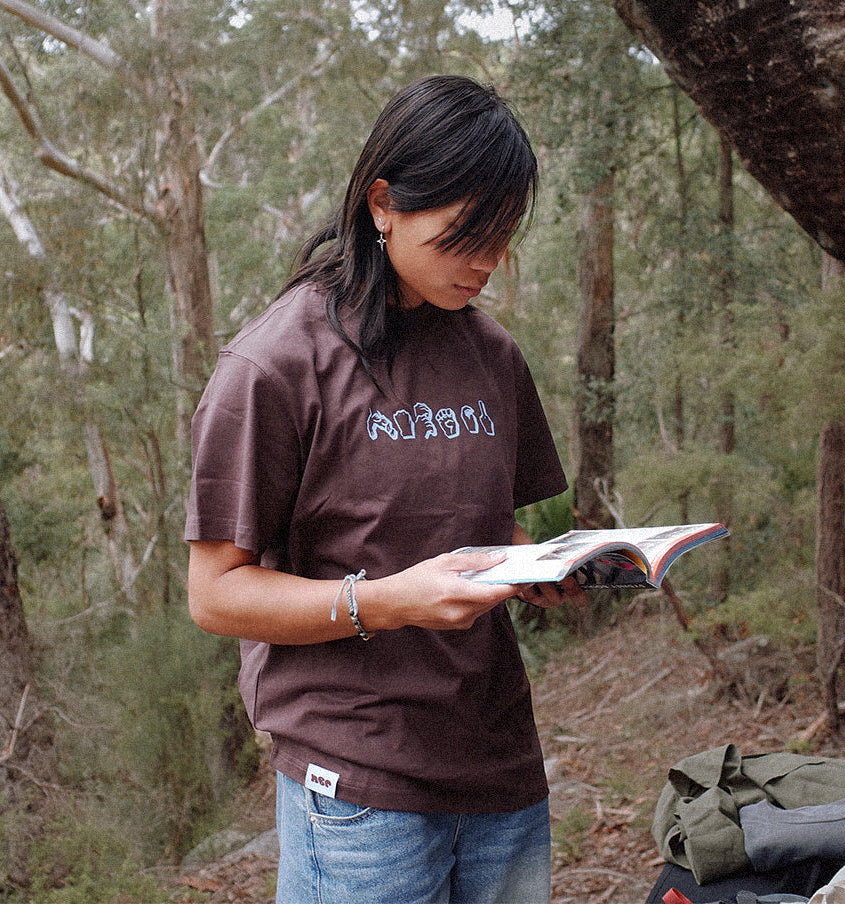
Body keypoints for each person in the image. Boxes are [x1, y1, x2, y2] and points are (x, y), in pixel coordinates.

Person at [185, 74, 585, 904]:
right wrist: (389, 601)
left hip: (499, 765)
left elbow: (494, 530)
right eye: (461, 234)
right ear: (382, 204)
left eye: (503, 234)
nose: (486, 261)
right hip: (360, 783)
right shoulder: (277, 364)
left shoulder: (492, 354)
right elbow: (215, 595)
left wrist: (544, 568)